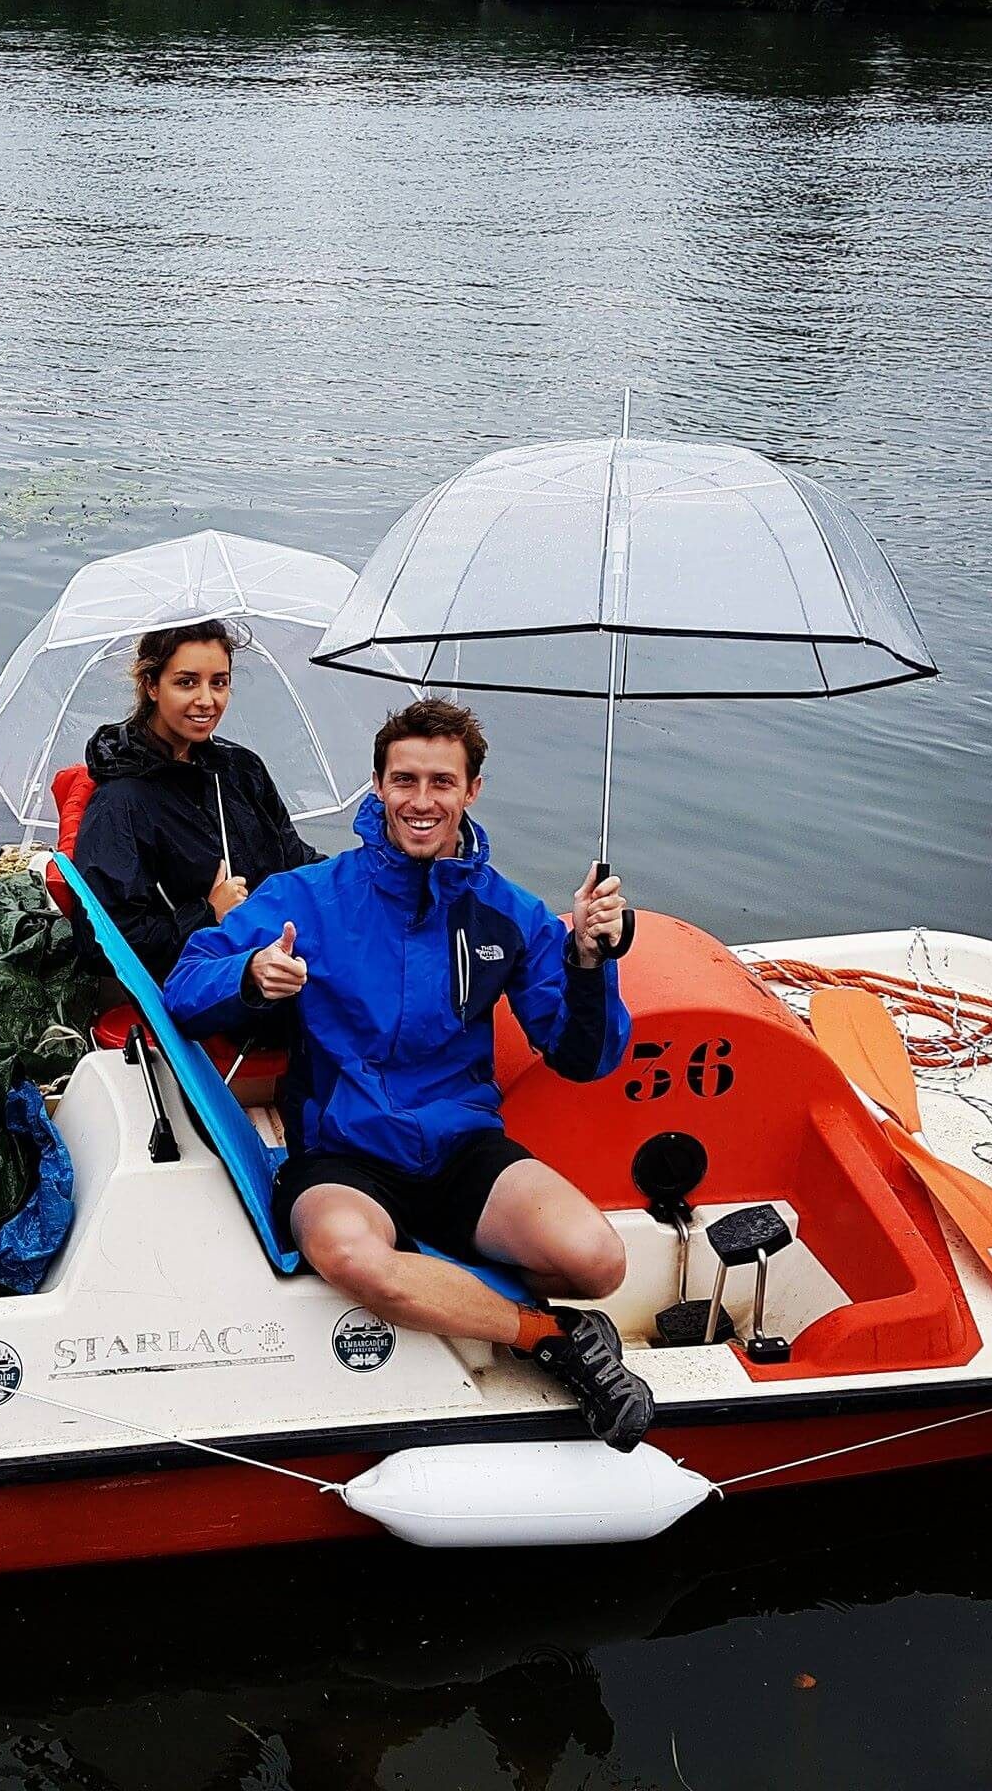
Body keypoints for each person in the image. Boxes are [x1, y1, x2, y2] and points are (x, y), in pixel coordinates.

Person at [163, 696, 655, 1451]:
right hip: (343, 1151)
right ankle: (549, 1337)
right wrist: (252, 974)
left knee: (598, 1260)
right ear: (378, 784)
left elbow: (581, 1057)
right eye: (404, 781)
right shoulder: (307, 896)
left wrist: (590, 961)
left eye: (441, 783)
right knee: (355, 1256)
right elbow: (183, 986)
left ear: (472, 790)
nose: (421, 802)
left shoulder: (509, 914)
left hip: (459, 1146)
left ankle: (493, 1291)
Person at [70, 619, 324, 986]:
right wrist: (208, 914)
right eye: (187, 682)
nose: (207, 700)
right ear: (151, 686)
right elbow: (100, 944)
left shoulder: (240, 769)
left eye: (218, 682)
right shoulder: (120, 802)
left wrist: (361, 878)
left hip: (279, 954)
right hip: (205, 985)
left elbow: (294, 860)